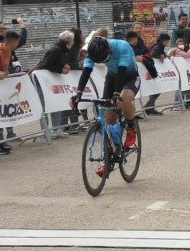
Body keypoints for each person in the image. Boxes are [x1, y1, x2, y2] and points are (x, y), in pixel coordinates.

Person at [71, 35, 140, 177]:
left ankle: (131, 128)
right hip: (112, 76)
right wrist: (78, 93)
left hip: (129, 76)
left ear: (109, 49)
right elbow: (86, 72)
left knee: (124, 98)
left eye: (105, 60)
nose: (104, 62)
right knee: (108, 117)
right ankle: (108, 160)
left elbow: (122, 72)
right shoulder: (92, 50)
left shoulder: (122, 47)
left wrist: (116, 94)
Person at [35, 31, 75, 136]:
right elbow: (46, 65)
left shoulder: (59, 50)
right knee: (43, 105)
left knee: (56, 103)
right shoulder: (56, 50)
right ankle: (46, 130)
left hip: (49, 80)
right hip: (42, 80)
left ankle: (56, 129)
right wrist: (61, 69)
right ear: (69, 41)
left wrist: (64, 66)